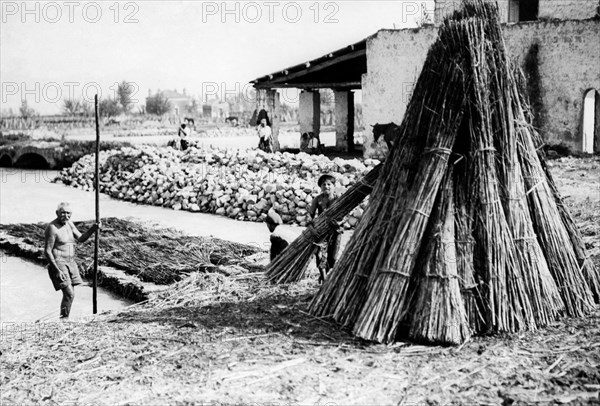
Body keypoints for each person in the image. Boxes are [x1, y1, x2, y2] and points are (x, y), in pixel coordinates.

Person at [44, 202, 100, 319]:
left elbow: (81, 238)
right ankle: (64, 320)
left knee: (70, 295)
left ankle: (65, 318)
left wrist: (93, 229)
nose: (66, 215)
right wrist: (57, 270)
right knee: (69, 294)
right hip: (58, 263)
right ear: (57, 213)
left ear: (71, 214)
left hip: (70, 262)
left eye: (68, 213)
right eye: (63, 213)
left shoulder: (69, 224)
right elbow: (47, 251)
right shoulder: (52, 228)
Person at [308, 173, 343, 283]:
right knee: (320, 255)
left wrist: (339, 222)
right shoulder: (318, 199)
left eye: (329, 184)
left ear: (334, 186)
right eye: (323, 184)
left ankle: (325, 274)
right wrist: (311, 227)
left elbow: (345, 216)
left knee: (332, 258)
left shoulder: (339, 199)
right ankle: (324, 278)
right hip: (321, 232)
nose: (326, 187)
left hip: (336, 231)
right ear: (320, 186)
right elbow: (310, 214)